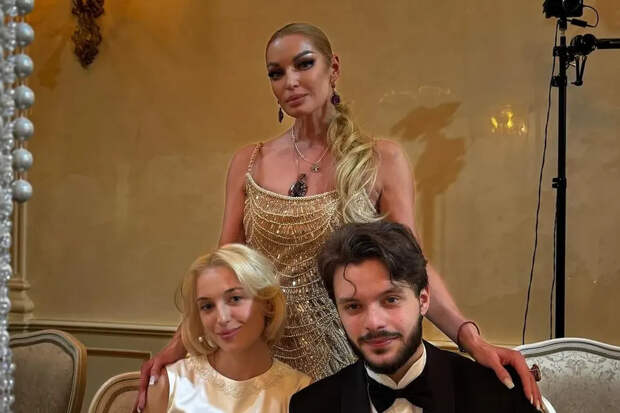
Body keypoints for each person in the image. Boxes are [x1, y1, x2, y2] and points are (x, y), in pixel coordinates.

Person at [134, 22, 541, 411]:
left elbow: (413, 267)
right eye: (276, 73)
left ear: (334, 69)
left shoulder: (380, 159)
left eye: (304, 64)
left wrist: (472, 340)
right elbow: (221, 273)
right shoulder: (248, 162)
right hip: (263, 364)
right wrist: (176, 346)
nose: (290, 81)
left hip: (344, 354)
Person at [290, 221, 545, 412]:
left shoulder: (498, 395)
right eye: (354, 306)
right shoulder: (310, 406)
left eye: (390, 300)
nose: (374, 323)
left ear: (423, 300)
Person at [143, 244, 310, 413]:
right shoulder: (170, 384)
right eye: (207, 306)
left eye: (235, 298)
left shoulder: (299, 392)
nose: (222, 318)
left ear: (268, 303)